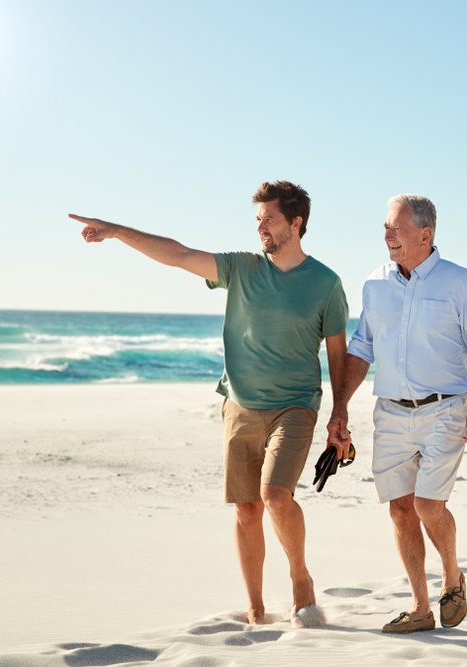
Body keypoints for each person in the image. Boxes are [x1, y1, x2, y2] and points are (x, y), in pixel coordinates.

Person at [70, 181, 348, 628]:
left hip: (295, 406)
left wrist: (340, 413)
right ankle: (256, 607)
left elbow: (338, 353)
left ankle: (300, 578)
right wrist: (117, 231)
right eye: (257, 219)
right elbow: (178, 254)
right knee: (246, 508)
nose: (261, 227)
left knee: (275, 496)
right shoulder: (241, 268)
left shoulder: (325, 284)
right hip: (239, 404)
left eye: (269, 219)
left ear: (296, 223)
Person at [328, 194, 467, 634]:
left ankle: (453, 575)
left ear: (425, 234)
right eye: (385, 226)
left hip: (445, 408)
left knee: (427, 504)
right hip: (389, 412)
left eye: (396, 227)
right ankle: (421, 607)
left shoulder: (463, 283)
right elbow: (362, 347)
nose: (387, 235)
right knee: (401, 510)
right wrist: (340, 407)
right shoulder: (375, 283)